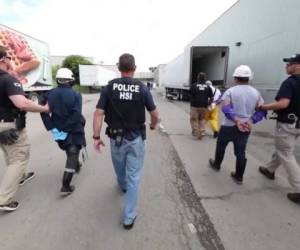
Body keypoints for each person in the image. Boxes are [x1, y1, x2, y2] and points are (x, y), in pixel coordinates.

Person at [93, 53, 159, 229]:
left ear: (119, 68)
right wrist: (152, 126)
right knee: (134, 177)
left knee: (120, 168)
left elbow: (99, 113)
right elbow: (154, 114)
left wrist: (96, 137)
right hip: (135, 138)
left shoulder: (108, 88)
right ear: (134, 68)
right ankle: (129, 216)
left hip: (116, 139)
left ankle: (122, 185)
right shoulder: (142, 88)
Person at [0, 45, 49, 211]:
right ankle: (3, 199)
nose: (9, 60)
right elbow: (22, 103)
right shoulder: (8, 79)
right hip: (9, 124)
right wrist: (44, 108)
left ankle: (21, 176)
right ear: (3, 60)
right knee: (19, 157)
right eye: (7, 57)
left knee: (9, 152)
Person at [209, 65, 265, 184]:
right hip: (245, 127)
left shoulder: (231, 91)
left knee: (221, 146)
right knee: (240, 151)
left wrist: (236, 120)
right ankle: (239, 176)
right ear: (249, 78)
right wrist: (251, 121)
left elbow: (226, 108)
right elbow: (262, 110)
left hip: (228, 126)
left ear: (235, 78)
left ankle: (216, 164)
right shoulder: (256, 93)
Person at [258, 54, 300, 203]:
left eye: (290, 63)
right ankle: (270, 170)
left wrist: (263, 107)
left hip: (288, 124)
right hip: (297, 124)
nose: (287, 66)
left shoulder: (290, 83)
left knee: (286, 153)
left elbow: (282, 104)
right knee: (282, 148)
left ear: (298, 66)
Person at [41, 68, 86, 195]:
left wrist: (51, 126)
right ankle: (65, 186)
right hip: (73, 129)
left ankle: (76, 165)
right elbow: (76, 115)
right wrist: (66, 128)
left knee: (69, 148)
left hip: (57, 130)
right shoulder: (76, 94)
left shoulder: (48, 94)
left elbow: (42, 110)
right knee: (72, 151)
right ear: (71, 81)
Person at [190, 72, 213, 139]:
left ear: (198, 78)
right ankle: (202, 131)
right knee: (202, 119)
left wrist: (191, 105)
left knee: (194, 119)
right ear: (205, 78)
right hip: (204, 106)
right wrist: (208, 104)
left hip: (195, 105)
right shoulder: (208, 87)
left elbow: (191, 96)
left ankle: (197, 133)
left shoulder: (193, 85)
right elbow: (211, 97)